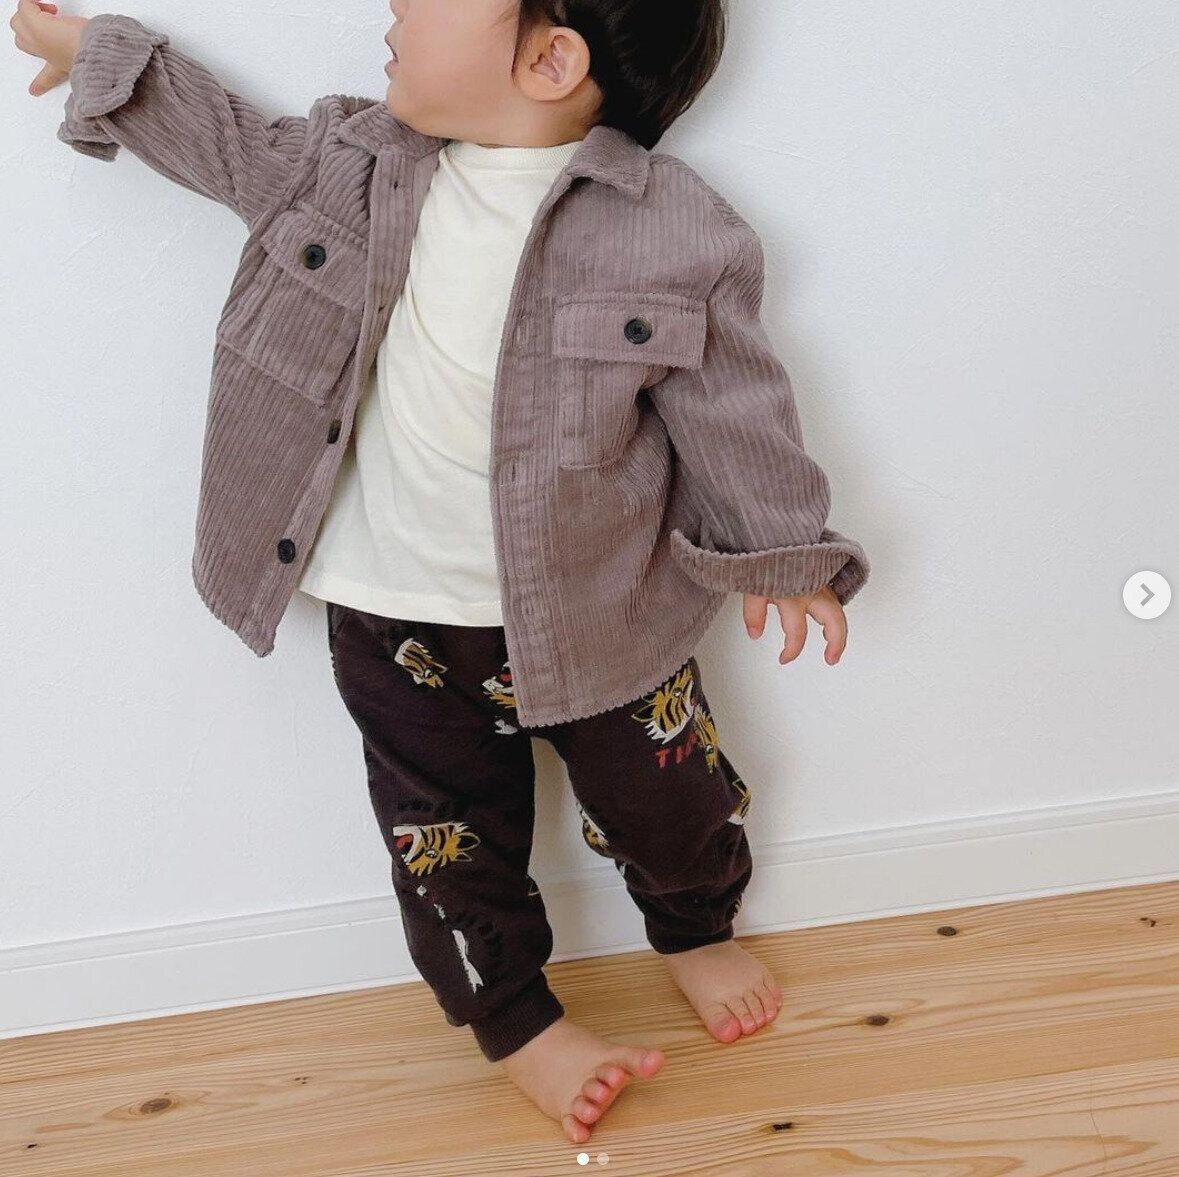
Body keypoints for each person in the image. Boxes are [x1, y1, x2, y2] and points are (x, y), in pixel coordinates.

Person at [12, 0, 870, 1144]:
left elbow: (733, 402)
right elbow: (226, 141)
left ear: (550, 57)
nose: (399, 3)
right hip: (397, 616)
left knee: (672, 798)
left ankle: (695, 924)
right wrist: (101, 58)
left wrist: (782, 549)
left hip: (602, 611)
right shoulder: (355, 166)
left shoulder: (672, 230)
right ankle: (518, 1023)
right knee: (444, 842)